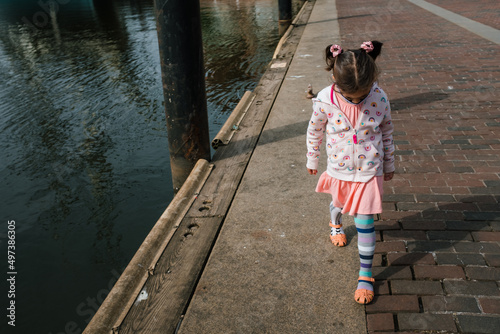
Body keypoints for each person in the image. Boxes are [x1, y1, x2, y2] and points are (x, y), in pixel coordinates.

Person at [306, 41, 395, 305]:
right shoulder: (324, 99)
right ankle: (335, 222)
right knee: (340, 204)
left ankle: (365, 275)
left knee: (365, 222)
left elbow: (387, 131)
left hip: (370, 169)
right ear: (334, 79)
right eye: (351, 96)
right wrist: (312, 157)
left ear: (373, 79)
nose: (357, 100)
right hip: (339, 167)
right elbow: (315, 130)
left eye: (362, 94)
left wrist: (389, 163)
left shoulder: (379, 97)